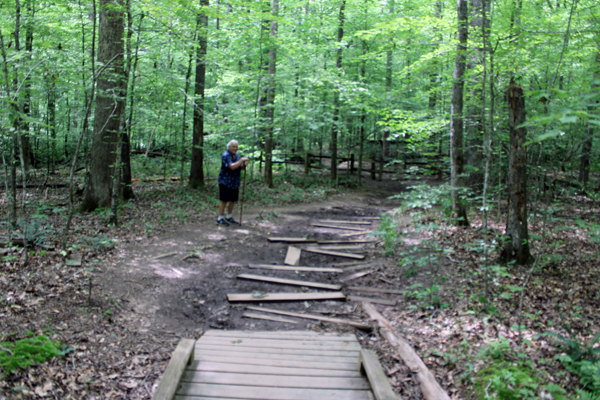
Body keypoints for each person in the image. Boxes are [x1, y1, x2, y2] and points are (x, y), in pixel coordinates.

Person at [217, 140, 249, 226]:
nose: (235, 148)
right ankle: (220, 218)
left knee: (232, 199)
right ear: (229, 147)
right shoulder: (225, 155)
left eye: (236, 147)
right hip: (225, 181)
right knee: (224, 200)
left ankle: (229, 216)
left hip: (234, 181)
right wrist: (242, 160)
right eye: (233, 146)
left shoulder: (237, 155)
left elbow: (239, 168)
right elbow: (232, 167)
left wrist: (244, 165)